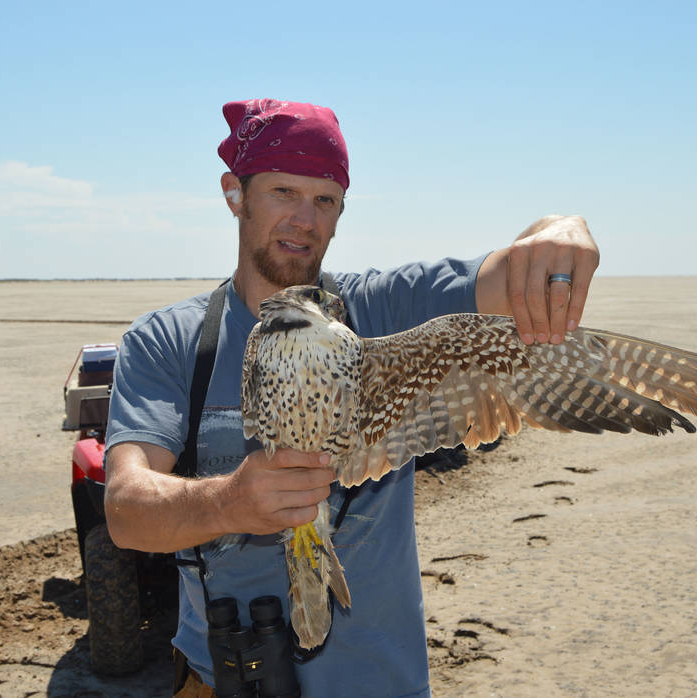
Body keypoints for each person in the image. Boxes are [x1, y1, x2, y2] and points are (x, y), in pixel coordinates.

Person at [104, 98, 599, 697]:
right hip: (224, 678)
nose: (304, 219)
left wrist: (559, 233)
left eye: (325, 200)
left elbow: (516, 274)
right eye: (283, 192)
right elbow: (126, 511)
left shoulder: (383, 310)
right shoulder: (170, 341)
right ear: (235, 194)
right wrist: (230, 500)